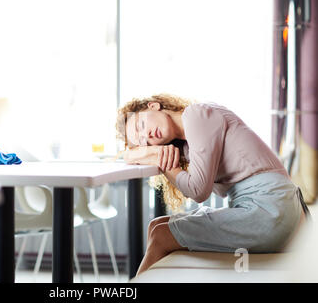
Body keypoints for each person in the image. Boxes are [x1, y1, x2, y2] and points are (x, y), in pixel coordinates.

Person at [115, 93, 311, 276]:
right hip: (274, 207)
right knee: (156, 225)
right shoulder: (188, 144)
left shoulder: (196, 115)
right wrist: (140, 154)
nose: (147, 135)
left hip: (272, 210)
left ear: (153, 105)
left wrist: (159, 160)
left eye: (141, 124)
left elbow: (198, 191)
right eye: (143, 142)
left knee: (161, 235)